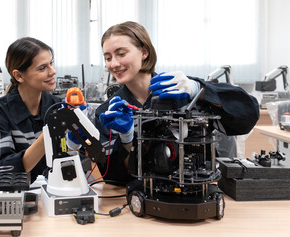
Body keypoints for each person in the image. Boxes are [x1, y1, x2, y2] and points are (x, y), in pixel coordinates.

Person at [94, 21, 260, 185]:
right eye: (108, 58)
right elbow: (113, 177)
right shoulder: (108, 112)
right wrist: (127, 140)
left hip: (200, 191)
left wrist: (199, 89)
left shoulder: (182, 90)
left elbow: (248, 114)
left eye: (121, 54)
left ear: (144, 52)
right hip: (145, 197)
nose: (113, 64)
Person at [0, 37, 61, 183]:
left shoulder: (57, 107)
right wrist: (48, 135)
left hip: (56, 193)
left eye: (51, 63)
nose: (53, 72)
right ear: (19, 75)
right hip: (17, 197)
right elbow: (1, 170)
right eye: (42, 68)